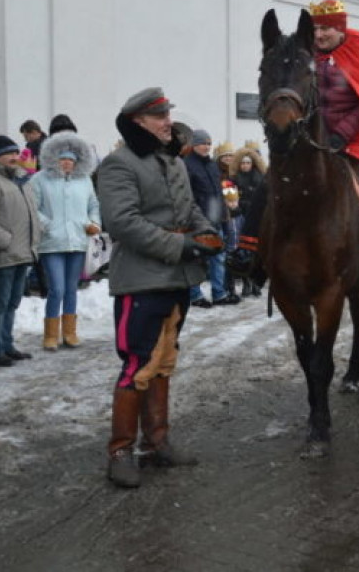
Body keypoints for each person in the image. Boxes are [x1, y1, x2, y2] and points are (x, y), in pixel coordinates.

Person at [230, 0, 359, 289]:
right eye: (316, 29)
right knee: (271, 182)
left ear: (341, 28)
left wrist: (343, 133)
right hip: (311, 137)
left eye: (327, 30)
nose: (320, 35)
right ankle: (251, 250)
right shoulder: (306, 55)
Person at [97, 87, 219, 488]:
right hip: (141, 280)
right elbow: (123, 223)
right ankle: (120, 452)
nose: (168, 121)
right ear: (137, 122)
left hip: (176, 279)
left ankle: (156, 444)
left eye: (168, 114)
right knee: (138, 364)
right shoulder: (120, 164)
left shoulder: (172, 162)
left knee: (164, 361)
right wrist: (182, 245)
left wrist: (206, 233)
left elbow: (190, 210)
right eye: (159, 116)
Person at [29, 131, 101, 350]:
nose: (67, 163)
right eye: (63, 159)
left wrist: (94, 223)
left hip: (78, 242)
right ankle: (50, 334)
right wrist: (47, 224)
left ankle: (69, 333)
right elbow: (32, 207)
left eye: (71, 159)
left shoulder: (84, 180)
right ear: (54, 159)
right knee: (57, 289)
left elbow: (93, 205)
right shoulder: (40, 179)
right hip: (52, 244)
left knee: (71, 288)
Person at [0, 136, 40, 366]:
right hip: (2, 253)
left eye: (16, 153)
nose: (15, 157)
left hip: (22, 251)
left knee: (13, 302)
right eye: (9, 153)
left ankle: (7, 344)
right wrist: (2, 241)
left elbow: (30, 212)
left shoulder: (20, 180)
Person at [183, 129, 236, 306]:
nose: (206, 147)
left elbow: (218, 193)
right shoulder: (187, 165)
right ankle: (195, 295)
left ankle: (219, 293)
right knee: (197, 258)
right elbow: (186, 196)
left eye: (208, 143)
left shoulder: (212, 165)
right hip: (198, 220)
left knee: (218, 257)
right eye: (202, 143)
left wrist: (224, 216)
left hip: (216, 219)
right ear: (194, 145)